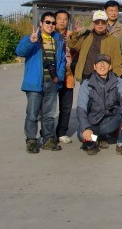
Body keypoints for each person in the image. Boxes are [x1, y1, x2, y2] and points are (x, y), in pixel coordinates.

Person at [16, 12, 66, 153]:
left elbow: (62, 60)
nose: (51, 25)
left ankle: (48, 139)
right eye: (47, 22)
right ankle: (31, 140)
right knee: (32, 114)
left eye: (53, 23)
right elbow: (19, 51)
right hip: (35, 83)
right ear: (41, 23)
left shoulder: (58, 40)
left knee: (49, 114)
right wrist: (30, 41)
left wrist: (59, 76)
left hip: (52, 83)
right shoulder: (32, 38)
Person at [76, 54, 122, 157]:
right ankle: (94, 140)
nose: (102, 65)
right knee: (82, 135)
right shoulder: (87, 83)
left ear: (110, 67)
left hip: (110, 122)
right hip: (93, 123)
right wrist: (86, 128)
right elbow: (81, 107)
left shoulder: (118, 81)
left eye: (105, 63)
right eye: (99, 63)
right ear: (94, 67)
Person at [68, 10, 122, 83]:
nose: (100, 24)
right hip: (85, 77)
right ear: (93, 23)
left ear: (106, 22)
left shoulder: (114, 40)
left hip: (104, 78)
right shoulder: (86, 36)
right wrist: (75, 33)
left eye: (103, 22)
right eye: (97, 22)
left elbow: (117, 60)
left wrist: (115, 76)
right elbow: (72, 44)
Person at [54, 9, 76, 144]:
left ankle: (62, 132)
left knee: (66, 106)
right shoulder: (50, 34)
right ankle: (47, 132)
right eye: (59, 18)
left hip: (68, 75)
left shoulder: (71, 35)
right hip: (53, 75)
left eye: (65, 19)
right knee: (48, 106)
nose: (62, 21)